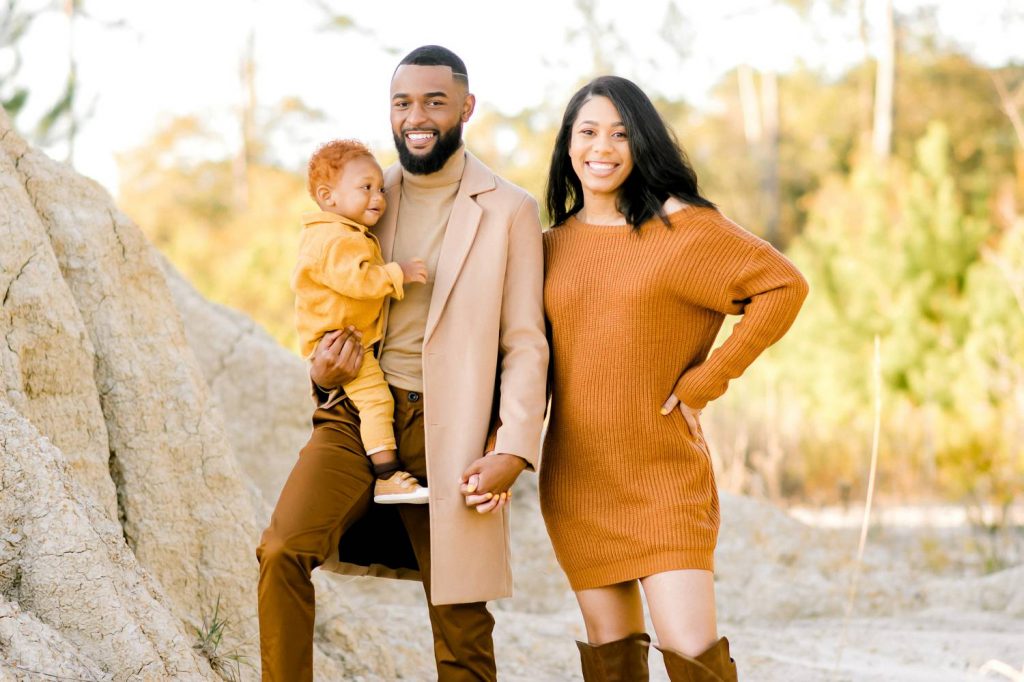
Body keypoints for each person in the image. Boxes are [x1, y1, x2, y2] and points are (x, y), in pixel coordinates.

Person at [256, 45, 548, 682]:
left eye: (434, 102)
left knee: (462, 622)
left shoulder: (510, 209)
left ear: (466, 108)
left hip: (455, 431)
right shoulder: (364, 197)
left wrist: (515, 447)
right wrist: (321, 372)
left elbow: (526, 342)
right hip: (357, 414)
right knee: (282, 549)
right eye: (403, 102)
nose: (416, 116)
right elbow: (322, 302)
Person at [540, 75, 809, 682]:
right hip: (578, 479)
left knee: (691, 654)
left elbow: (783, 286)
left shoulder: (680, 230)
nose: (601, 147)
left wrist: (706, 380)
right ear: (568, 145)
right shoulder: (549, 247)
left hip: (664, 474)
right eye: (587, 132)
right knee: (611, 658)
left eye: (620, 133)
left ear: (642, 145)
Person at [293, 138, 430, 504]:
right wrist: (395, 273)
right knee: (376, 402)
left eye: (381, 189)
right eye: (366, 188)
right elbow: (356, 280)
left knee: (372, 401)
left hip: (343, 336)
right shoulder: (335, 239)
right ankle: (386, 474)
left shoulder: (339, 232)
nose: (378, 198)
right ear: (328, 196)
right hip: (341, 342)